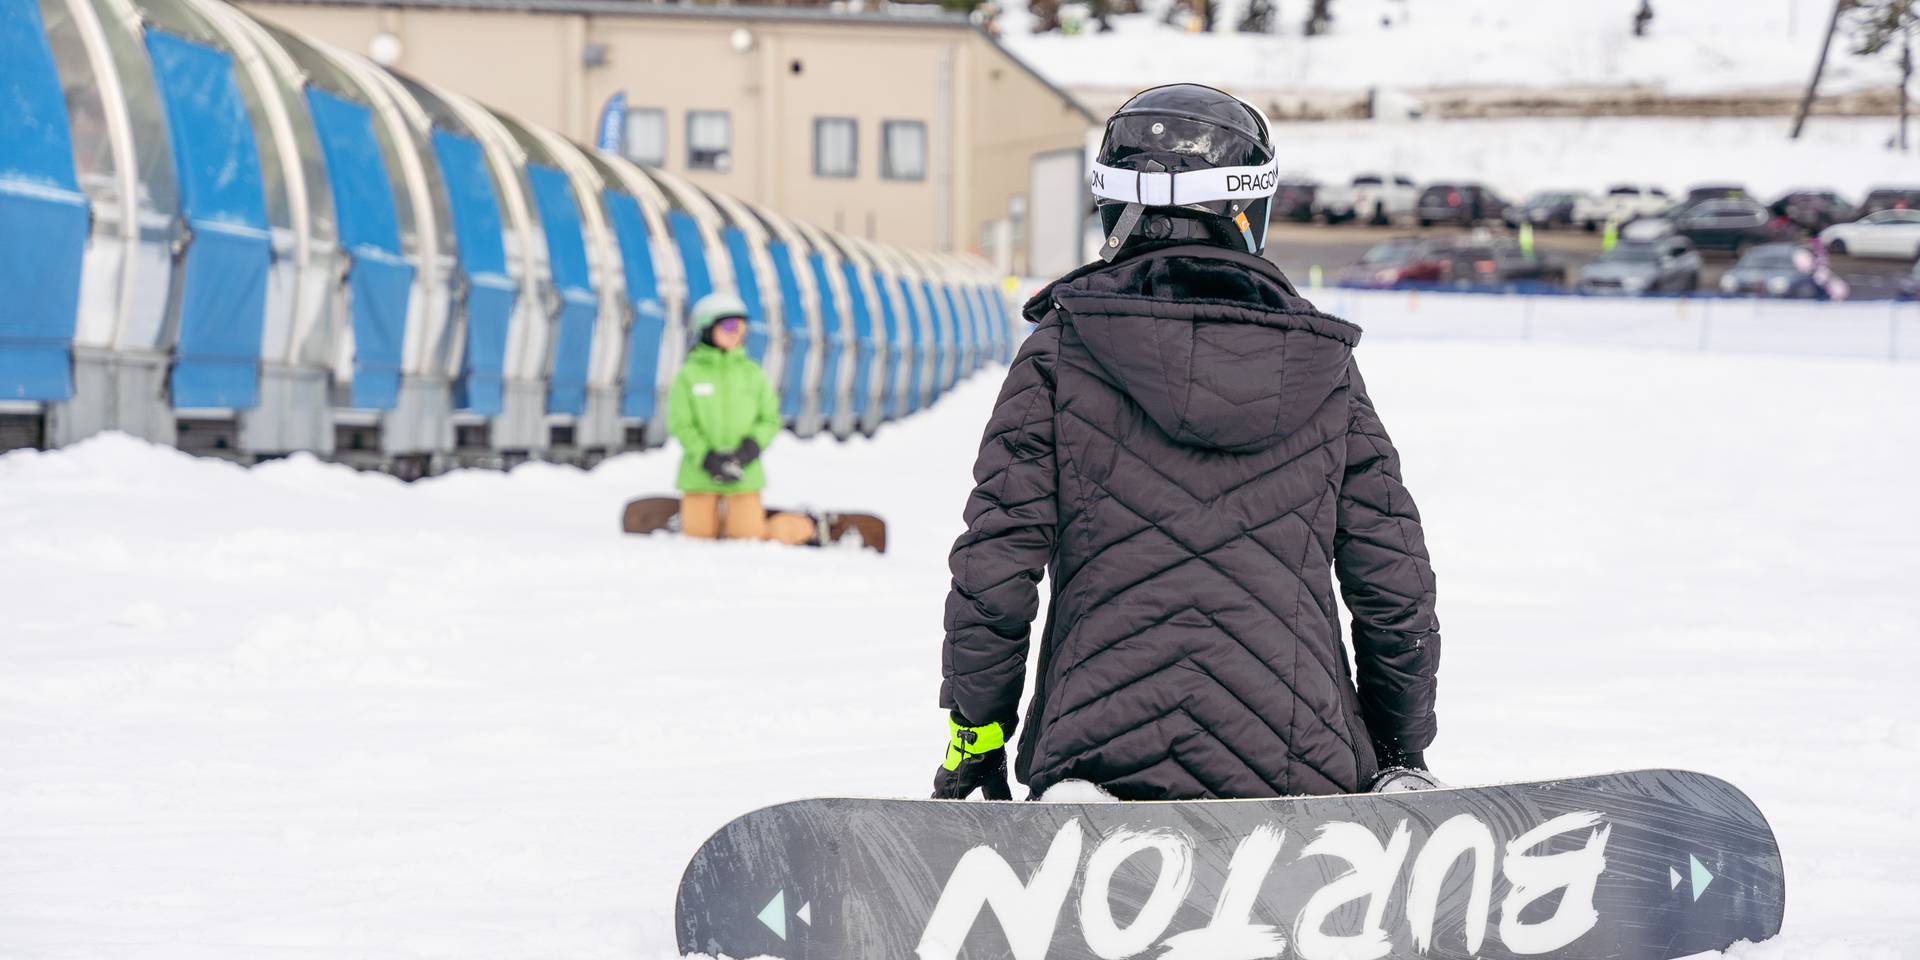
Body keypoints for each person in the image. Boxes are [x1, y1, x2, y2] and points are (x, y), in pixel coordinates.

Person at [932, 83, 1442, 802]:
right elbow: (1392, 581)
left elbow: (996, 563)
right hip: (1304, 760)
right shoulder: (1321, 366)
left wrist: (977, 734)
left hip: (1093, 755)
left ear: (1115, 209)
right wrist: (1398, 746)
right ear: (1247, 210)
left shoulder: (1061, 351)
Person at [667, 292, 814, 545]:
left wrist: (750, 449)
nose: (736, 332)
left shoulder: (752, 374)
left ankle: (804, 525)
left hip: (744, 471)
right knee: (698, 536)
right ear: (706, 328)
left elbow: (770, 418)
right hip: (700, 471)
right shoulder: (688, 375)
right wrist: (706, 456)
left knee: (748, 535)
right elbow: (680, 423)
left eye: (742, 327)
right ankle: (695, 517)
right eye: (729, 325)